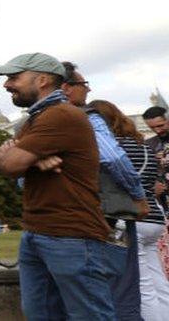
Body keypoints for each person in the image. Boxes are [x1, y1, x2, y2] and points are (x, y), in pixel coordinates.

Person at [0, 53, 120, 319]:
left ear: (43, 80)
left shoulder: (59, 116)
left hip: (70, 235)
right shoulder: (36, 119)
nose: (7, 85)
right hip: (42, 232)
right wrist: (30, 160)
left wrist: (18, 157)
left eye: (14, 77)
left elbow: (10, 165)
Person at [61, 61, 147, 320]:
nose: (87, 91)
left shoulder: (38, 122)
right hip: (106, 214)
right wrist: (139, 197)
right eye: (83, 85)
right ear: (67, 88)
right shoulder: (88, 119)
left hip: (65, 219)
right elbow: (114, 159)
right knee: (122, 286)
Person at [89, 99, 169, 320]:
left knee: (141, 284)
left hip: (132, 217)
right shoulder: (143, 145)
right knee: (158, 278)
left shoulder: (110, 147)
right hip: (154, 217)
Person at [142, 106, 169, 212]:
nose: (157, 130)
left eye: (160, 125)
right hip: (163, 202)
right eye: (152, 128)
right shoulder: (148, 144)